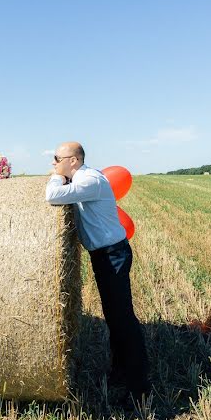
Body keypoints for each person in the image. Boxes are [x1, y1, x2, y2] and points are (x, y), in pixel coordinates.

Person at [44, 142, 151, 402]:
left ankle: (139, 385)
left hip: (113, 255)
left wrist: (57, 176)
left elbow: (52, 195)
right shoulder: (82, 179)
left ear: (73, 160)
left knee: (123, 318)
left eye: (57, 158)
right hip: (103, 255)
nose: (53, 163)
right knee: (114, 316)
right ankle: (120, 371)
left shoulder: (89, 180)